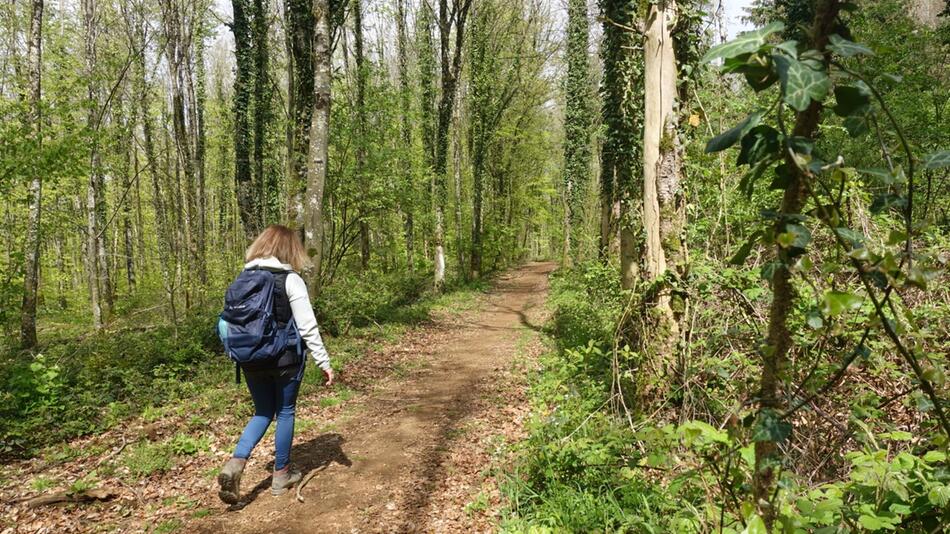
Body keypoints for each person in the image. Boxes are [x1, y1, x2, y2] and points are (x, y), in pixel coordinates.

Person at [217, 225, 334, 504]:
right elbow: (307, 326)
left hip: (251, 359)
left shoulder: (243, 278)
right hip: (285, 360)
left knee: (262, 412)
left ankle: (235, 462)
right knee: (284, 412)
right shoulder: (290, 279)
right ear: (289, 249)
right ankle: (281, 474)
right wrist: (324, 361)